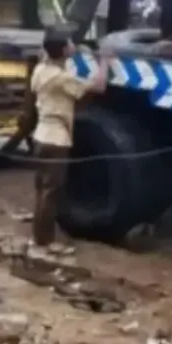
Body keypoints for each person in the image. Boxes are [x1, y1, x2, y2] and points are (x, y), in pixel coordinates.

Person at [28, 27, 112, 247]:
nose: (74, 45)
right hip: (56, 140)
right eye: (70, 43)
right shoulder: (62, 79)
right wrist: (104, 61)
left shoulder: (40, 70)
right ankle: (44, 241)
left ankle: (38, 235)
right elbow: (99, 86)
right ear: (64, 50)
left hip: (40, 135)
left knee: (42, 188)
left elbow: (47, 55)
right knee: (51, 192)